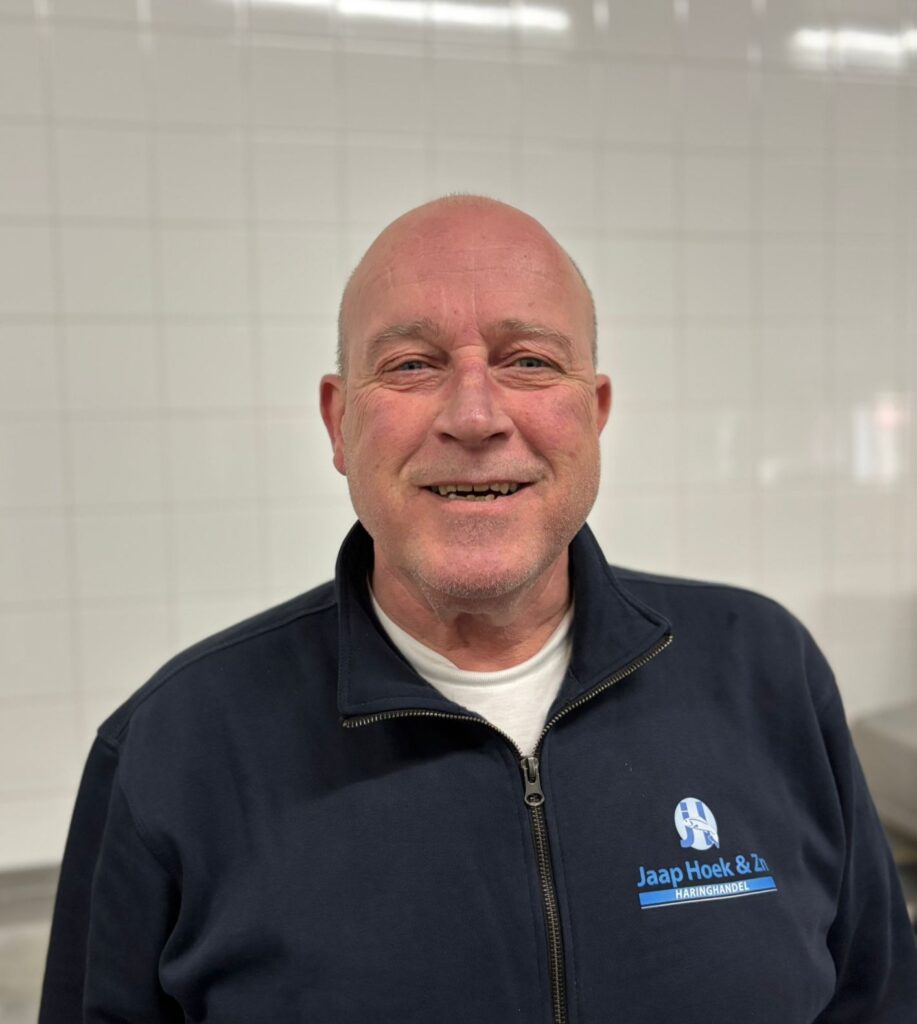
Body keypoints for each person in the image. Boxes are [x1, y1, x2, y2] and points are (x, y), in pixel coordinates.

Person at [40, 196, 917, 1023]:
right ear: (339, 423)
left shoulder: (763, 672)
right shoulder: (175, 746)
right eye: (411, 365)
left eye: (527, 361)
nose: (473, 416)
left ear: (594, 412)